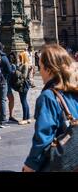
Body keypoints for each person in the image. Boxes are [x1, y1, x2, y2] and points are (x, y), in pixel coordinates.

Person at [23, 44, 78, 172]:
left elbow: (43, 138)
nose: (40, 71)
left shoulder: (48, 96)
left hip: (60, 162)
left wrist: (30, 165)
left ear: (49, 70)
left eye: (41, 67)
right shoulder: (74, 91)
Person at [0, 42, 12, 127]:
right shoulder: (4, 58)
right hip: (2, 81)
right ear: (2, 48)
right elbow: (9, 70)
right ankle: (3, 120)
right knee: (3, 100)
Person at [18, 51, 31, 125]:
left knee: (23, 101)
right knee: (24, 101)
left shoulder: (25, 65)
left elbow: (24, 76)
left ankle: (25, 119)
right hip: (24, 85)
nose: (19, 58)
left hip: (23, 85)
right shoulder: (24, 64)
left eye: (20, 57)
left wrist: (17, 73)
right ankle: (28, 117)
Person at [7, 52, 18, 122]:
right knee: (10, 99)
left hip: (6, 85)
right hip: (7, 85)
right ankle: (10, 115)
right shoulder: (13, 66)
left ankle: (9, 115)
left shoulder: (7, 64)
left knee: (0, 100)